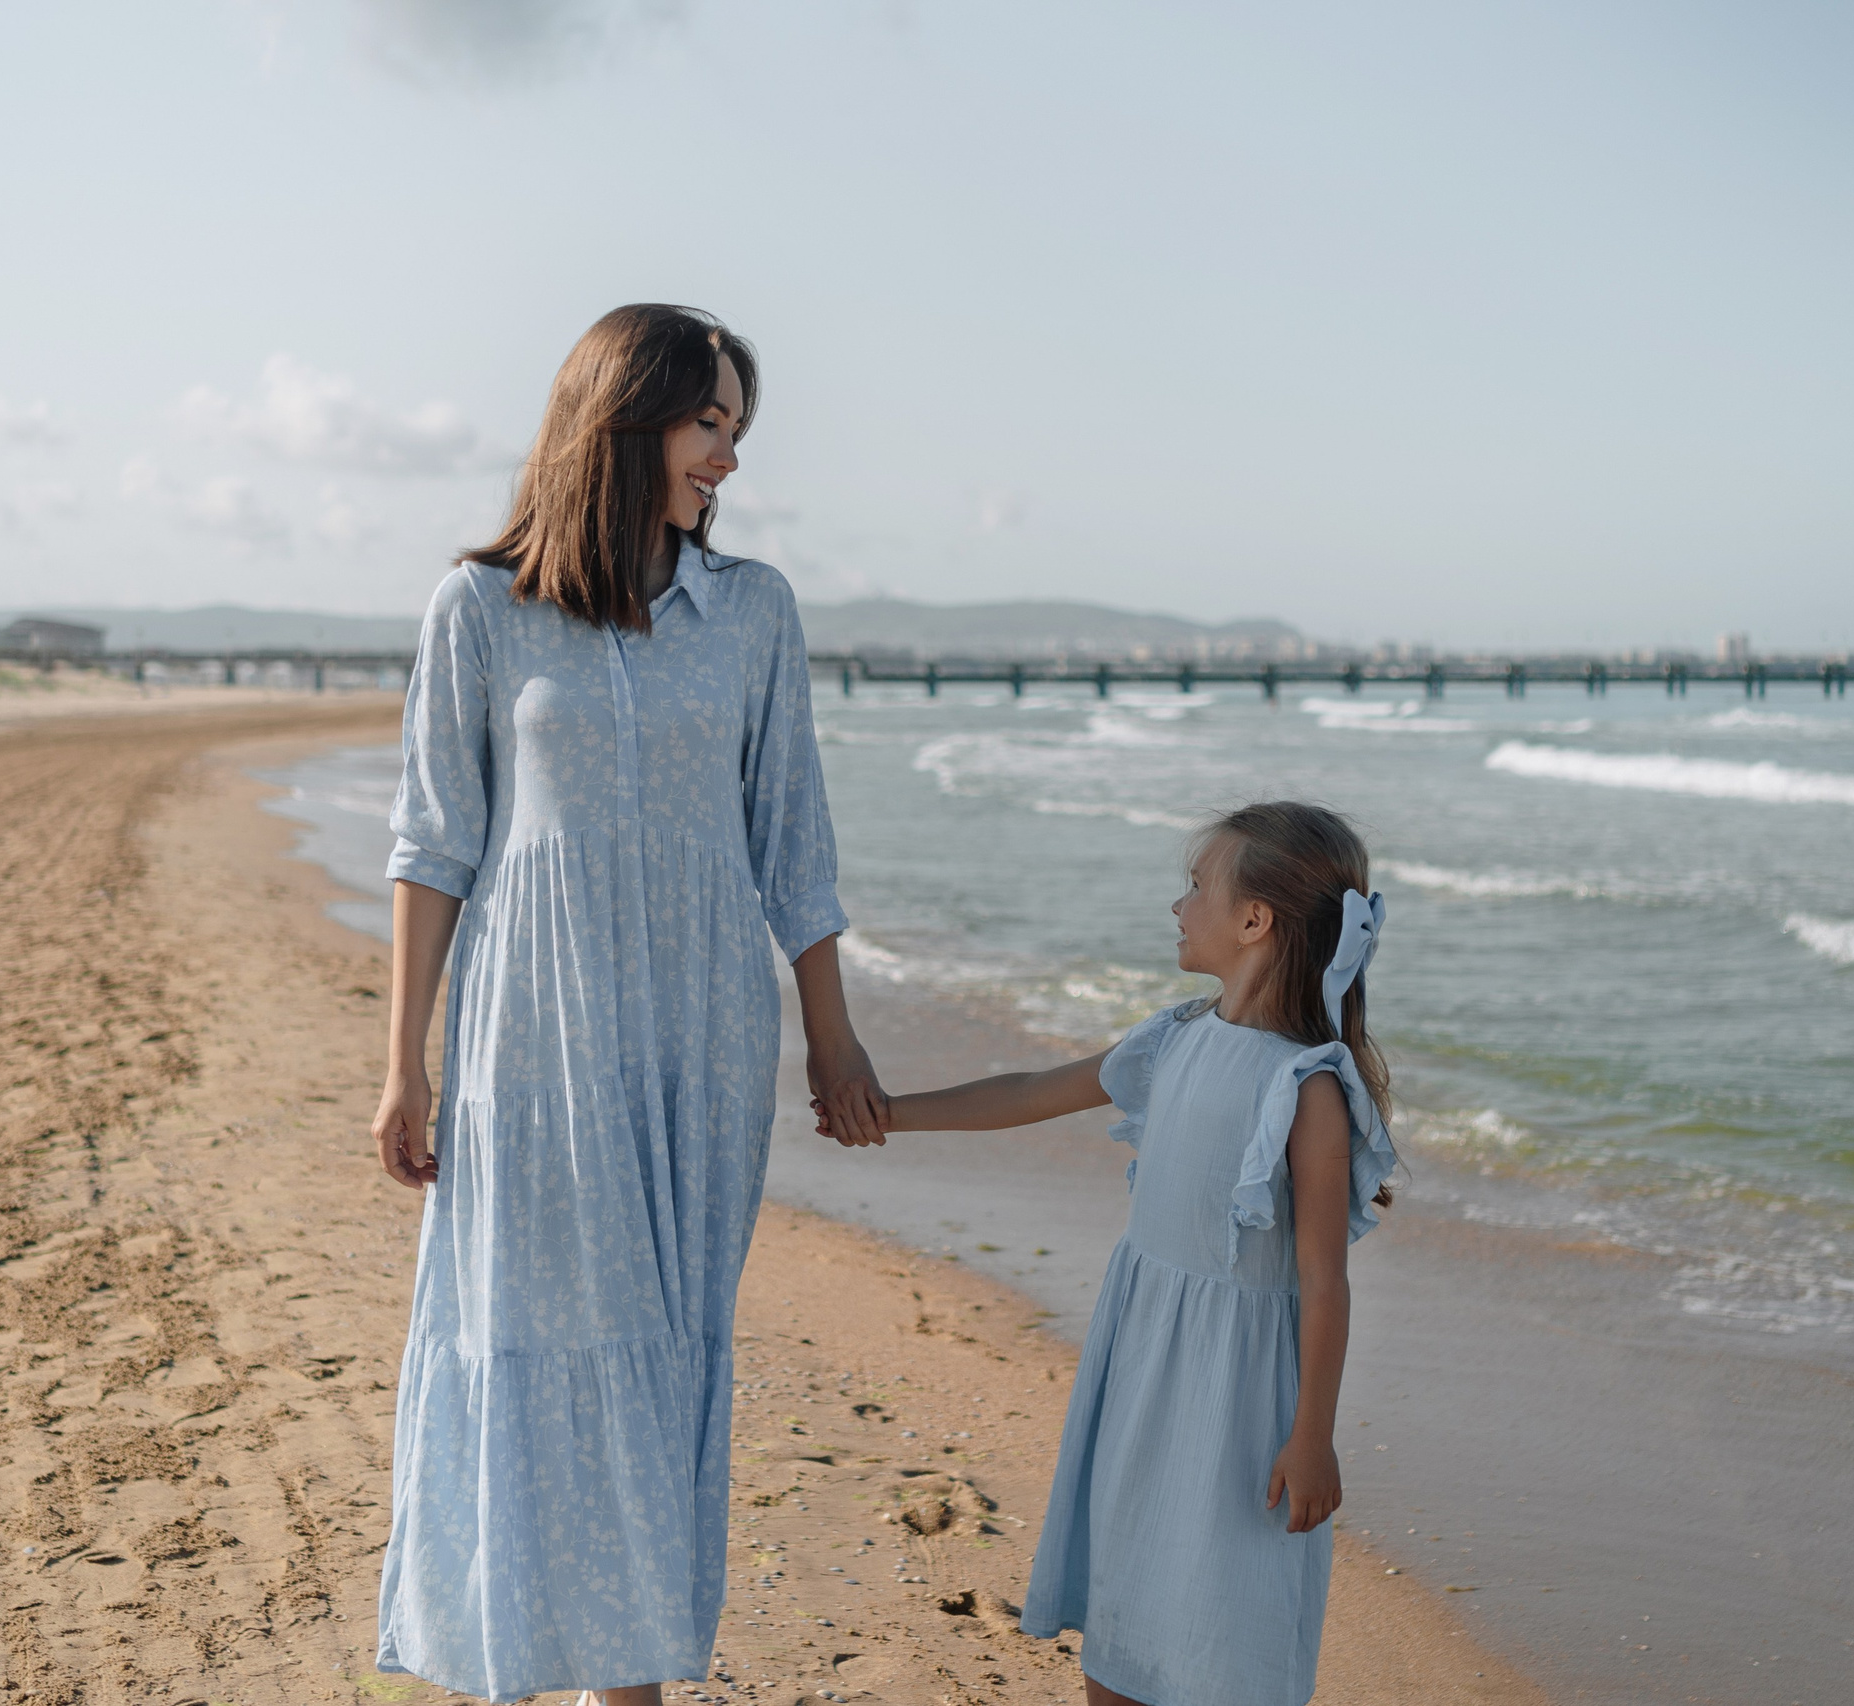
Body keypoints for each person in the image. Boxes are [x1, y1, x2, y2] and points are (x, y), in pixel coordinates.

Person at [371, 303, 891, 1706]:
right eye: (706, 421)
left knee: (661, 1357)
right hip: (531, 1030)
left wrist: (831, 1032)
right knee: (534, 1333)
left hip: (702, 1035)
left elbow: (792, 837)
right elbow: (434, 843)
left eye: (736, 427)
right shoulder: (481, 607)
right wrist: (404, 1062)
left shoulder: (754, 611)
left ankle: (631, 1683)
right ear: (621, 419)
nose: (727, 455)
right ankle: (535, 1666)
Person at [856, 801, 1398, 1706]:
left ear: (1254, 920)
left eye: (1196, 887)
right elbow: (1030, 1092)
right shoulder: (1173, 1037)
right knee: (1125, 1615)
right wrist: (888, 1115)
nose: (1179, 906)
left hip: (1242, 1402)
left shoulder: (1304, 1087)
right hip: (1143, 1367)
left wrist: (1312, 1437)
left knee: (1228, 1627)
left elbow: (1323, 1281)